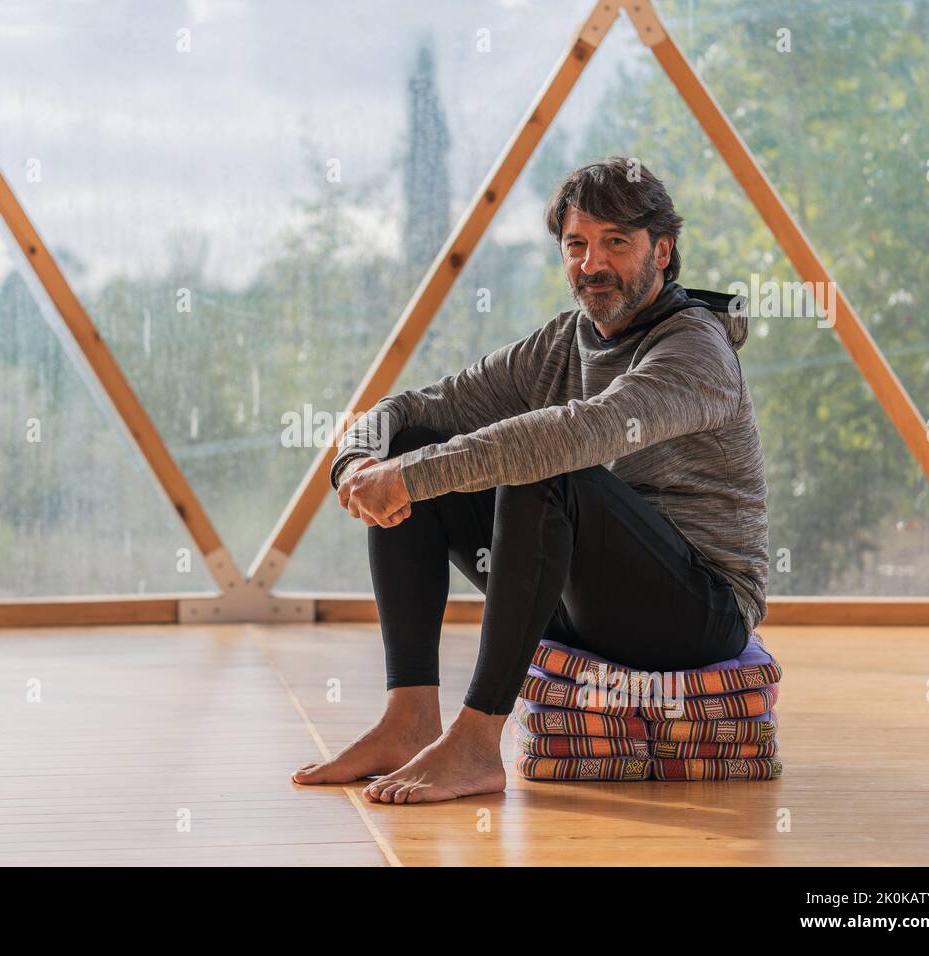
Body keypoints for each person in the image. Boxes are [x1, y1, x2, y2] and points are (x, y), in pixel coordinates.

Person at [292, 156, 769, 804]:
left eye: (616, 243)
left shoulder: (695, 349)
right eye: (577, 245)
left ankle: (477, 743)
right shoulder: (562, 342)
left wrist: (415, 477)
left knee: (543, 464)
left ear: (663, 251)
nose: (592, 264)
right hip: (590, 605)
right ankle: (409, 717)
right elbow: (414, 407)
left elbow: (584, 432)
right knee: (409, 443)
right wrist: (356, 462)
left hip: (697, 608)